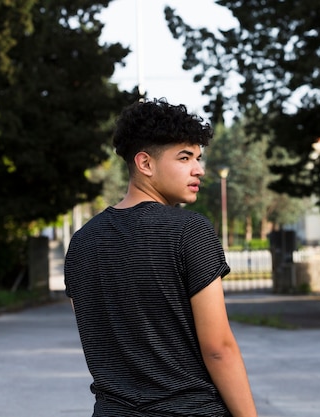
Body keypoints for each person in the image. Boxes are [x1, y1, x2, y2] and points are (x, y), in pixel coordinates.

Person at [64, 98, 257, 417]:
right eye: (185, 157)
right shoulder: (189, 231)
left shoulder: (82, 242)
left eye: (198, 157)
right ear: (145, 163)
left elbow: (102, 341)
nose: (200, 169)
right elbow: (219, 349)